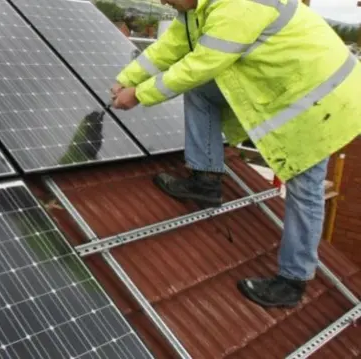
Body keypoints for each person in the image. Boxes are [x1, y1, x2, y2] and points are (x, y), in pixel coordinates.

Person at [110, 0, 361, 308]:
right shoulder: (196, 11)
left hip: (322, 98)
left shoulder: (238, 6)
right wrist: (128, 77)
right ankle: (206, 181)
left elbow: (201, 64)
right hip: (287, 85)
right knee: (202, 91)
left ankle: (293, 280)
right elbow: (170, 47)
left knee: (304, 187)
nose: (162, 1)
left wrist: (139, 94)